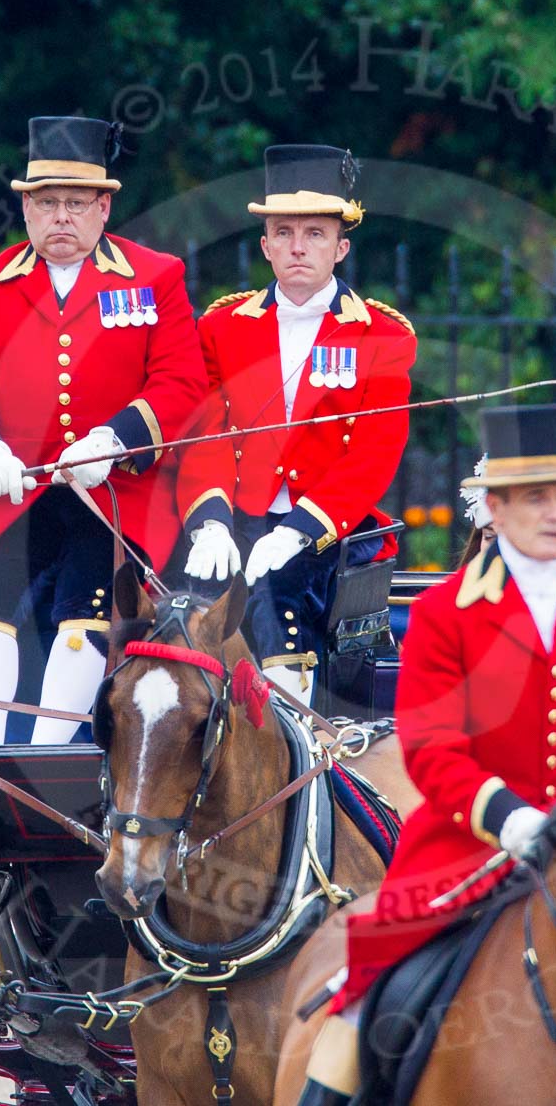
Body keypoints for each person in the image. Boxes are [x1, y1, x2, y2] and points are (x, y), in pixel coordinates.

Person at [290, 401, 556, 1106]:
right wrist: (512, 819)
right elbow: (430, 748)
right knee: (365, 993)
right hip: (465, 853)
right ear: (498, 506)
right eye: (536, 498)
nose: (555, 514)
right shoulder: (444, 614)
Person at [0, 116, 206, 745]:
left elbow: (180, 383)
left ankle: (52, 755)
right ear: (25, 208)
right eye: (47, 202)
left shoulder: (154, 277)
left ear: (104, 207)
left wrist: (115, 441)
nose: (62, 217)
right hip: (15, 493)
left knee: (86, 606)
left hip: (113, 499)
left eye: (77, 203)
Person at [174, 144, 416, 705]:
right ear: (265, 245)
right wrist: (209, 520)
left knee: (281, 591)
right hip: (238, 518)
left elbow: (374, 453)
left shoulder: (382, 335)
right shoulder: (221, 328)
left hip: (330, 529)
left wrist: (299, 528)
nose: (298, 247)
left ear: (341, 247)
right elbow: (206, 435)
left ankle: (291, 743)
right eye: (283, 232)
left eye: (315, 233)